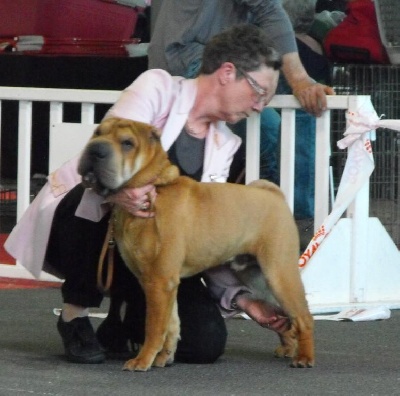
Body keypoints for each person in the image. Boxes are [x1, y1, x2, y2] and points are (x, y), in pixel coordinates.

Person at [5, 24, 290, 365]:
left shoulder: (226, 145)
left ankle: (124, 319)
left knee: (204, 345)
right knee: (101, 203)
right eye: (260, 92)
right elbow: (105, 150)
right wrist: (123, 190)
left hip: (157, 253)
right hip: (92, 221)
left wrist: (243, 299)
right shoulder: (157, 86)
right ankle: (74, 316)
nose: (259, 106)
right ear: (228, 72)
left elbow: (210, 237)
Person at [147, 0, 335, 222]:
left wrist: (302, 82)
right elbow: (269, 10)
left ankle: (298, 219)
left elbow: (269, 16)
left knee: (307, 100)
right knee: (273, 135)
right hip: (186, 55)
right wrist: (300, 79)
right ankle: (283, 223)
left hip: (216, 51)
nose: (257, 105)